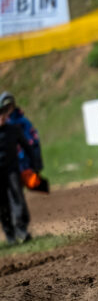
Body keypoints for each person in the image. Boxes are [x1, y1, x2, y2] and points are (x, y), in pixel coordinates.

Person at [0, 93, 36, 244]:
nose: (1, 117)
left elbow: (27, 147)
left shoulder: (13, 130)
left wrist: (34, 164)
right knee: (2, 204)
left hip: (12, 170)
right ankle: (10, 235)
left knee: (17, 198)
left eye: (3, 114)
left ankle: (21, 230)